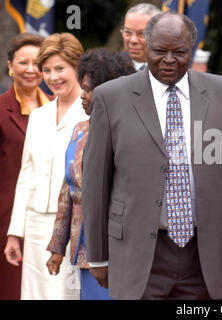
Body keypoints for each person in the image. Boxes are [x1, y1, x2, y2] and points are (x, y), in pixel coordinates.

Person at [82, 12, 222, 300]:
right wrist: (97, 255)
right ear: (147, 46)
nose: (169, 60)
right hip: (138, 252)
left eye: (179, 52)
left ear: (192, 49)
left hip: (203, 254)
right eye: (159, 51)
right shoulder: (111, 98)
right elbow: (96, 183)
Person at [45, 48, 135, 300]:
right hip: (86, 252)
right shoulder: (80, 131)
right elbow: (68, 192)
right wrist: (57, 248)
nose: (82, 96)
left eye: (88, 89)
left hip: (121, 252)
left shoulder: (132, 134)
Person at [4, 33, 88, 300]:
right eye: (47, 70)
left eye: (60, 69)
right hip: (36, 225)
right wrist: (15, 233)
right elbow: (26, 177)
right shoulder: (39, 116)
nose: (53, 77)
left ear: (77, 67)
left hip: (76, 227)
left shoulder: (93, 113)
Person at [0, 32, 52, 300]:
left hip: (50, 217)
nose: (31, 70)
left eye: (37, 63)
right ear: (10, 66)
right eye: (23, 63)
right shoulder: (0, 109)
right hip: (6, 217)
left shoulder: (59, 109)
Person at [121, 3, 161, 71]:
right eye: (128, 32)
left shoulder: (170, 69)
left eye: (141, 34)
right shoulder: (109, 68)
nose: (133, 40)